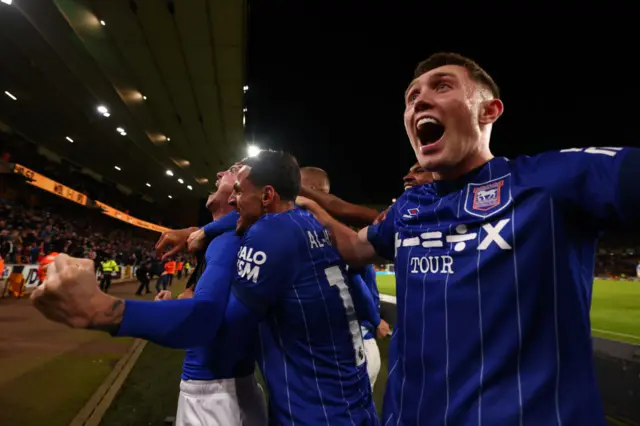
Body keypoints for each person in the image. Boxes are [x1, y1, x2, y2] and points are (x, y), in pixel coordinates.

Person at [300, 52, 640, 425]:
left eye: (442, 86)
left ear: (489, 111)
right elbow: (352, 247)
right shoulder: (410, 207)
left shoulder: (548, 182)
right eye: (411, 96)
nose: (419, 100)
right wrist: (301, 205)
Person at [31, 150, 377, 425]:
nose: (222, 178)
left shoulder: (252, 236)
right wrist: (200, 235)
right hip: (336, 400)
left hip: (247, 402)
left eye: (235, 179)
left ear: (264, 195)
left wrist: (104, 309)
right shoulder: (293, 224)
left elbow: (206, 320)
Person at [153, 162, 267, 426]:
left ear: (238, 193)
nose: (218, 173)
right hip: (224, 391)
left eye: (231, 170)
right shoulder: (220, 240)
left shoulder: (228, 242)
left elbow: (203, 317)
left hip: (214, 395)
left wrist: (105, 311)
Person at [300, 166, 384, 389]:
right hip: (339, 347)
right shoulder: (328, 230)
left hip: (351, 348)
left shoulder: (333, 236)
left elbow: (355, 283)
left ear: (309, 190)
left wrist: (375, 320)